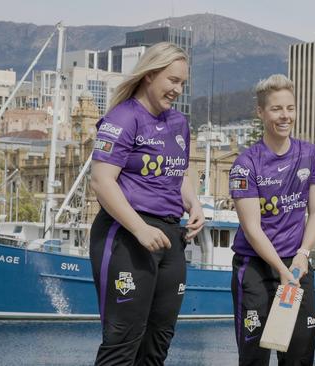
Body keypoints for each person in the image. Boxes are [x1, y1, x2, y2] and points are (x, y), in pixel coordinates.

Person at [88, 42, 204, 366]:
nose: (178, 90)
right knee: (123, 341)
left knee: (158, 343)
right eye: (173, 80)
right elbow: (101, 181)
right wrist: (139, 229)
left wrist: (194, 203)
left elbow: (178, 173)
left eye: (182, 83)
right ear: (150, 75)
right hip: (127, 234)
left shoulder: (179, 123)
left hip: (171, 238)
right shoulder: (122, 118)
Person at [228, 74, 315, 366]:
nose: (285, 116)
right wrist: (281, 270)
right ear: (261, 112)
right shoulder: (246, 164)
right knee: (254, 357)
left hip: (297, 266)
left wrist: (302, 254)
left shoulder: (309, 154)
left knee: (299, 357)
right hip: (256, 268)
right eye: (276, 109)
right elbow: (252, 228)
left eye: (290, 108)